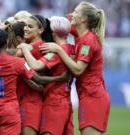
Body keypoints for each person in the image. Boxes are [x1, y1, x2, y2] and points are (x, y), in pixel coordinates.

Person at [0, 28, 67, 135]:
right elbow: (38, 79)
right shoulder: (17, 62)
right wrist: (59, 78)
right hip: (9, 111)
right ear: (6, 42)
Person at [39, 2, 110, 135]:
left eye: (76, 12)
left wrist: (59, 50)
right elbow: (58, 26)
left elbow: (78, 70)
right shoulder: (80, 34)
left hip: (93, 97)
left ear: (84, 19)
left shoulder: (88, 40)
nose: (71, 14)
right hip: (90, 95)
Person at [18, 16, 75, 135]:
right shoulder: (71, 48)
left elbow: (36, 65)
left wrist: (24, 48)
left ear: (52, 31)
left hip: (54, 102)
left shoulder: (53, 51)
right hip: (66, 102)